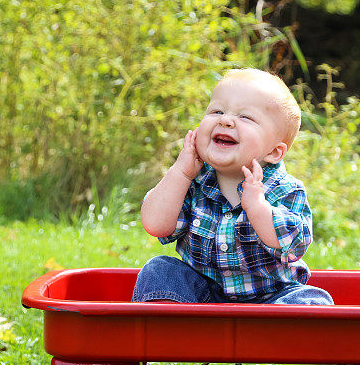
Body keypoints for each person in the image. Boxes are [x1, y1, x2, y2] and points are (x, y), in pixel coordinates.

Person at [132, 68, 333, 305]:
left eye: (245, 117)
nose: (225, 120)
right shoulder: (193, 181)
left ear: (274, 152)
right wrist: (181, 172)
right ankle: (175, 335)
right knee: (159, 269)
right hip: (200, 298)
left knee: (311, 300)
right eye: (217, 111)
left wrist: (257, 207)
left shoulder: (284, 189)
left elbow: (293, 247)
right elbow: (156, 225)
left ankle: (267, 339)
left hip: (270, 300)